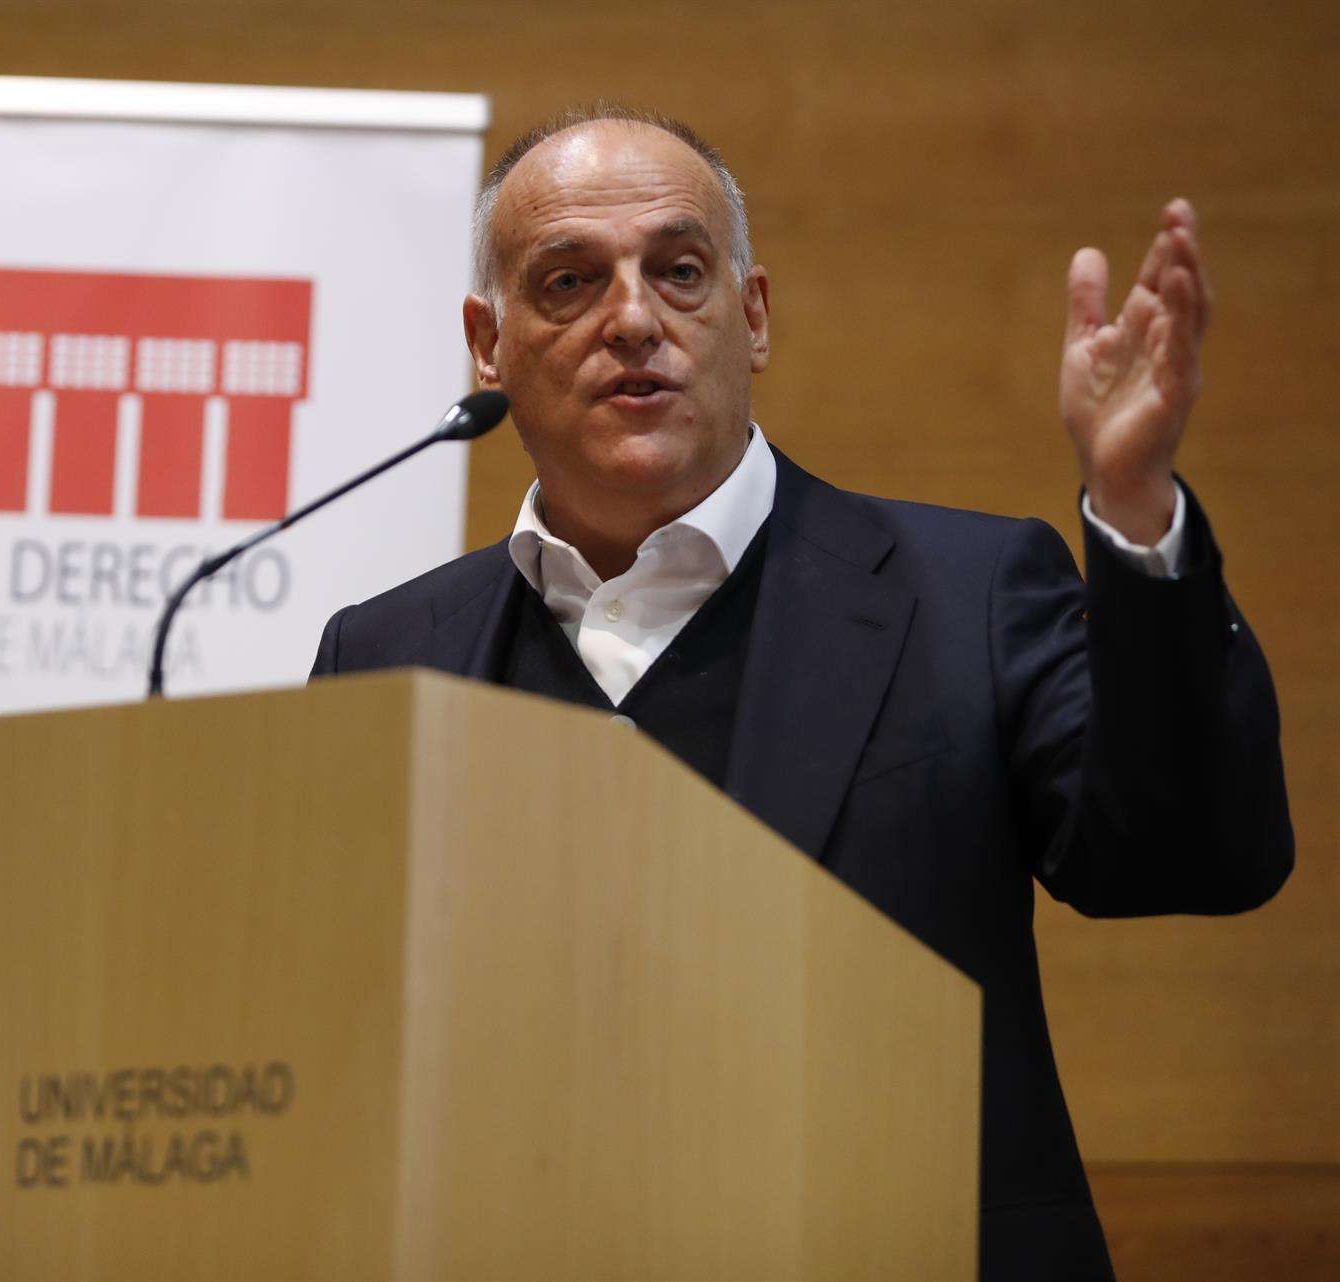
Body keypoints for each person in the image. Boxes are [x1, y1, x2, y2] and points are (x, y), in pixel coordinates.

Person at [310, 105, 1293, 1280]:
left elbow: (1190, 853)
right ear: (489, 342)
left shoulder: (965, 594)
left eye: (678, 271)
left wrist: (1135, 517)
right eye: (569, 281)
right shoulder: (386, 656)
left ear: (752, 313)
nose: (633, 319)